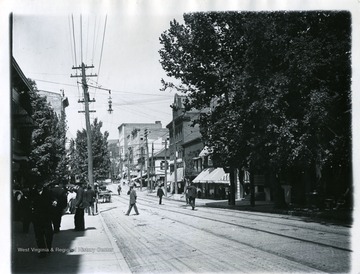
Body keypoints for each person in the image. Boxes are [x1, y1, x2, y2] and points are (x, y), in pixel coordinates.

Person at [30, 182, 55, 258]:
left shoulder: (48, 193)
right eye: (37, 188)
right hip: (37, 219)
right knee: (39, 235)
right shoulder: (33, 194)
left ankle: (49, 247)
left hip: (47, 218)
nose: (38, 190)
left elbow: (52, 202)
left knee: (49, 234)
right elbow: (30, 204)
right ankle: (42, 251)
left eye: (40, 188)